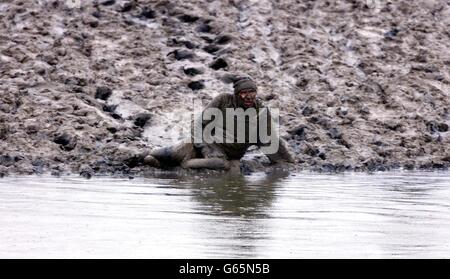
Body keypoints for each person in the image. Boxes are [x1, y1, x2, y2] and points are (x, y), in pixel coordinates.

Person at [144, 77, 295, 170]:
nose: (249, 96)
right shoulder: (223, 100)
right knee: (157, 155)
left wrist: (285, 162)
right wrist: (203, 147)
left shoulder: (261, 112)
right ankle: (153, 159)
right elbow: (198, 123)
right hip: (202, 144)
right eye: (244, 92)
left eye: (252, 92)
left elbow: (271, 141)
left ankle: (181, 166)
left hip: (225, 157)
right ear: (236, 95)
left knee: (220, 166)